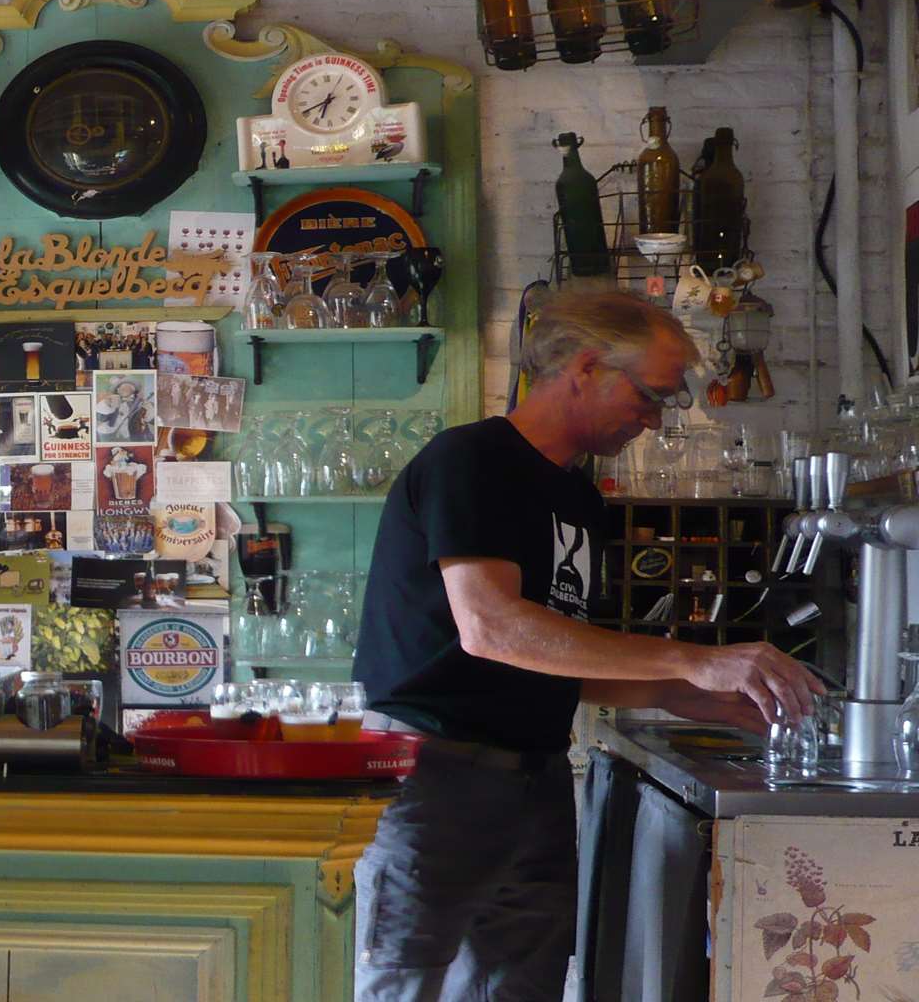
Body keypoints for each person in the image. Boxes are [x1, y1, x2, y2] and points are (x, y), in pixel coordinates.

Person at [350, 291, 823, 1000]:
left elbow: (561, 661)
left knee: (524, 989)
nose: (656, 418)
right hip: (435, 778)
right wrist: (694, 659)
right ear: (587, 366)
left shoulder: (577, 499)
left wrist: (702, 699)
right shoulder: (474, 461)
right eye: (651, 394)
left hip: (532, 780)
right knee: (407, 990)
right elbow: (492, 627)